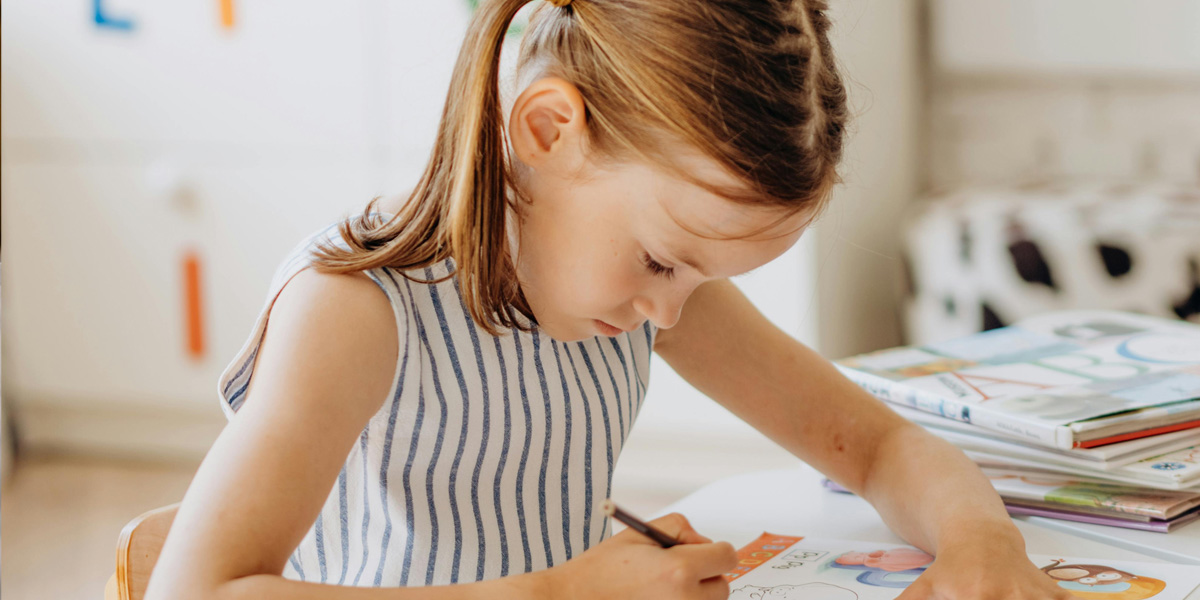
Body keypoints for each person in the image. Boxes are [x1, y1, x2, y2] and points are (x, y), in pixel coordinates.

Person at [147, 0, 1073, 598]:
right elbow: (196, 592)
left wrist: (979, 541)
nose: (672, 313)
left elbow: (874, 444)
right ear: (549, 131)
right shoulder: (353, 310)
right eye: (664, 261)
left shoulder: (638, 295)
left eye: (701, 279)